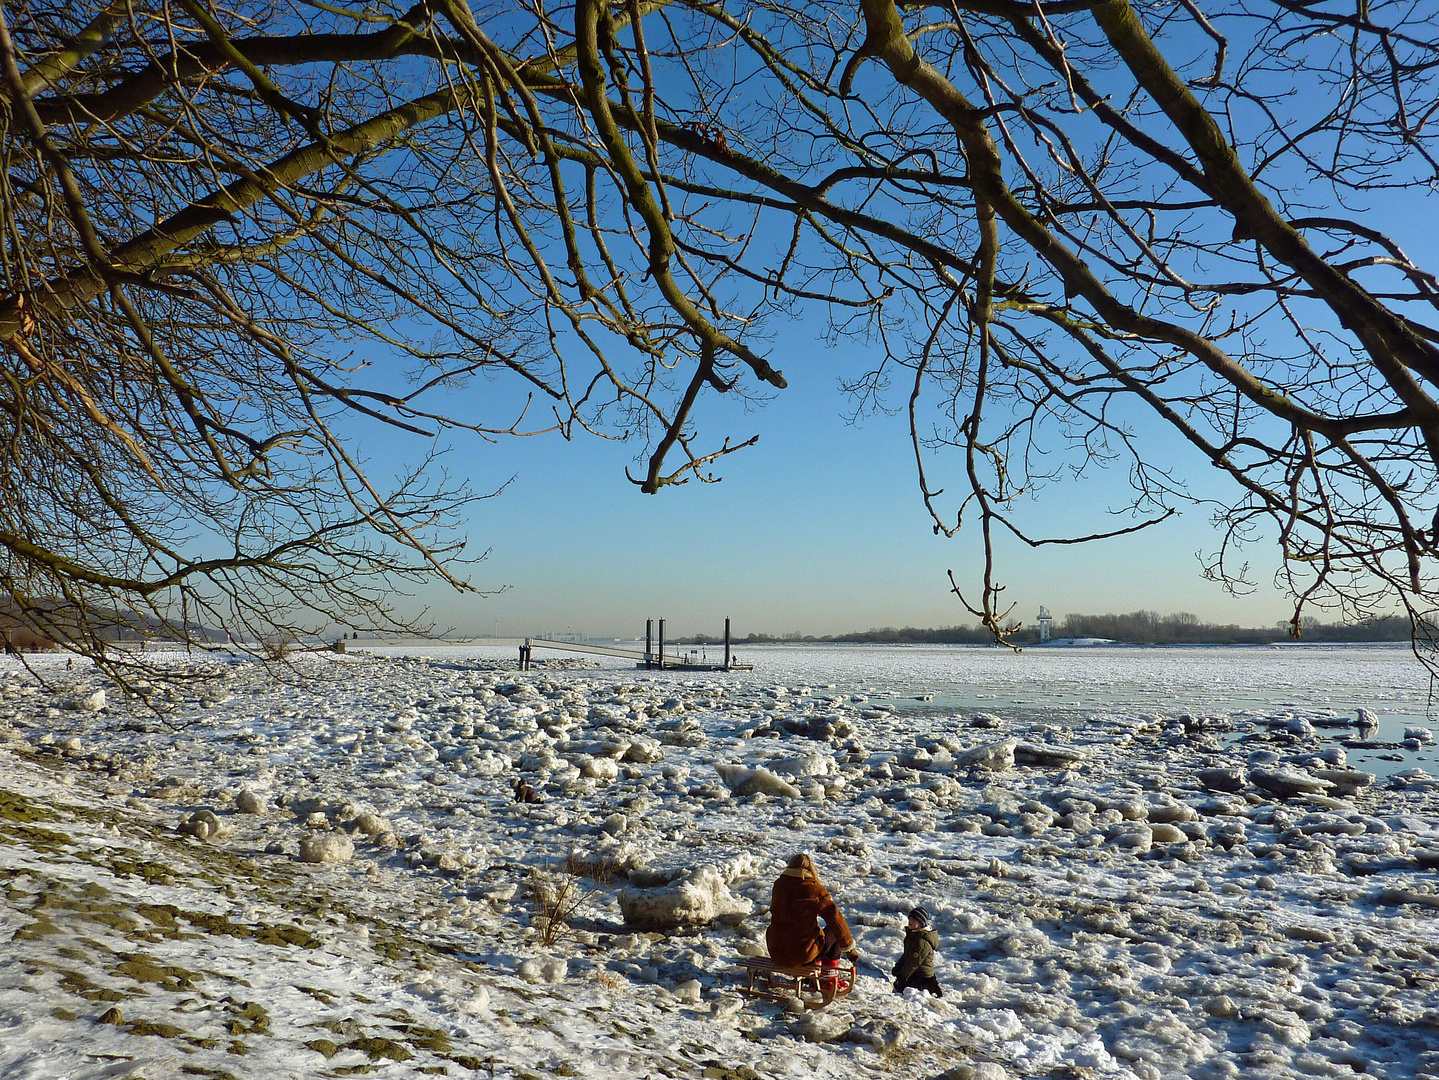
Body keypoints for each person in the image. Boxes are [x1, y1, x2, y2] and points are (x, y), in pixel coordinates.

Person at [766, 853, 857, 968]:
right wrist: (849, 949)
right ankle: (828, 978)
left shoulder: (779, 885)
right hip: (802, 954)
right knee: (833, 931)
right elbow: (835, 919)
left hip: (776, 951)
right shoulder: (813, 888)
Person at [892, 906, 942, 997]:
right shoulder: (914, 934)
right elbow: (907, 954)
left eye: (913, 919)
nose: (910, 921)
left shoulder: (922, 941)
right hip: (914, 973)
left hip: (923, 977)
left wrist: (902, 977)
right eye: (909, 918)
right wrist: (898, 966)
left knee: (905, 993)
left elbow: (913, 963)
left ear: (920, 923)